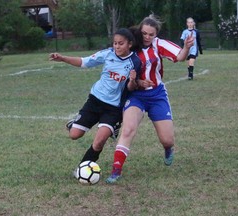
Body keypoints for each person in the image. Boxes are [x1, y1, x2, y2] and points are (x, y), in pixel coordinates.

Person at [106, 14, 194, 184]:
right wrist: (136, 81)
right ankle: (116, 170)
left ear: (156, 35)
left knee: (167, 140)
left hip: (156, 95)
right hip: (136, 95)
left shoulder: (159, 44)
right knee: (128, 130)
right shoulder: (131, 44)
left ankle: (168, 149)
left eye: (150, 34)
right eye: (144, 33)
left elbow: (180, 57)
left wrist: (187, 47)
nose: (147, 37)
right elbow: (117, 62)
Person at [49, 28, 141, 173]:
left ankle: (82, 169)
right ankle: (74, 123)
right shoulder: (108, 54)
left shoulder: (135, 61)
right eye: (115, 43)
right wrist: (63, 58)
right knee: (74, 135)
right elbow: (83, 62)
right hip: (95, 101)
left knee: (99, 142)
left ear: (129, 44)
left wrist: (133, 80)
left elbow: (131, 88)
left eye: (120, 44)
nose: (117, 46)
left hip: (113, 108)